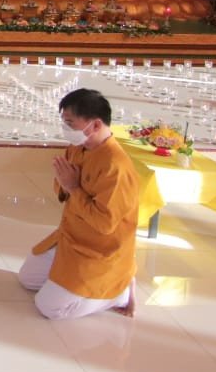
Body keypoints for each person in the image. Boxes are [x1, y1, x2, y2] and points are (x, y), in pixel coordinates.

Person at [18, 88, 138, 320]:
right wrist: (65, 184)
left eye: (70, 123)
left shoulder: (116, 167)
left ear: (94, 125)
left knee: (49, 308)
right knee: (27, 279)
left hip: (98, 251)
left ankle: (118, 292)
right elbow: (62, 189)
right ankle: (70, 284)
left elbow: (104, 224)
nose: (66, 129)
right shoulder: (78, 147)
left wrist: (73, 187)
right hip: (69, 237)